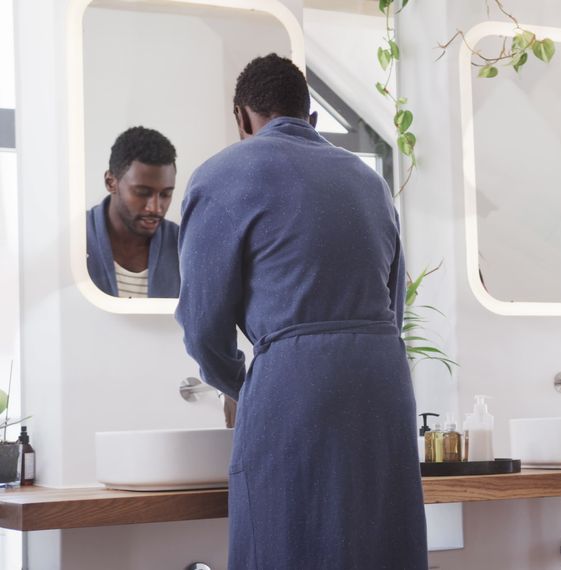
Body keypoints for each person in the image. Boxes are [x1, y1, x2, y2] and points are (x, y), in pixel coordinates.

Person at [175, 54, 427, 569]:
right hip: (384, 383)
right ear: (312, 119)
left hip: (295, 383)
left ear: (241, 117)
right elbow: (392, 306)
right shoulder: (368, 180)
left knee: (285, 540)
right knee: (380, 544)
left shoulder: (221, 175)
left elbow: (202, 326)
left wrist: (240, 385)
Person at [86, 126, 180, 298]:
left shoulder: (184, 246)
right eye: (142, 193)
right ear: (110, 182)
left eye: (166, 194)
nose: (155, 208)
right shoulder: (76, 239)